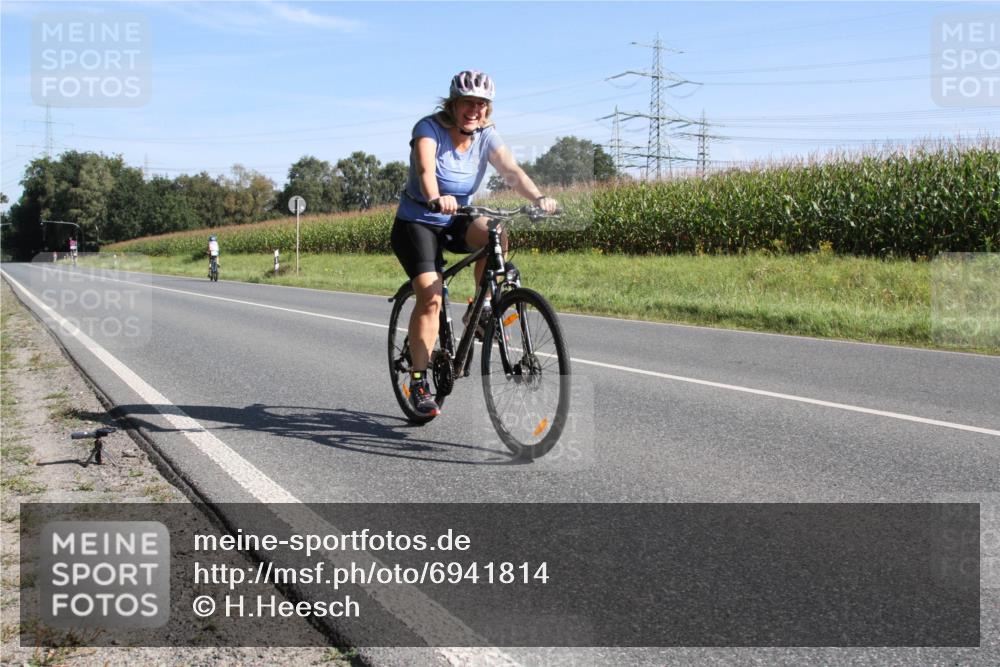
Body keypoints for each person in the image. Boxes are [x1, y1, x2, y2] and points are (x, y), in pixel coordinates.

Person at [392, 69, 558, 417]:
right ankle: (420, 383)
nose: (474, 110)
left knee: (497, 231)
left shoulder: (486, 135)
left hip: (457, 218)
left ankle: (481, 309)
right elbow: (424, 172)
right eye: (468, 102)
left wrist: (539, 197)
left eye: (482, 104)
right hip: (419, 220)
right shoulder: (428, 129)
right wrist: (437, 196)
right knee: (431, 298)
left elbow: (511, 170)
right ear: (453, 104)